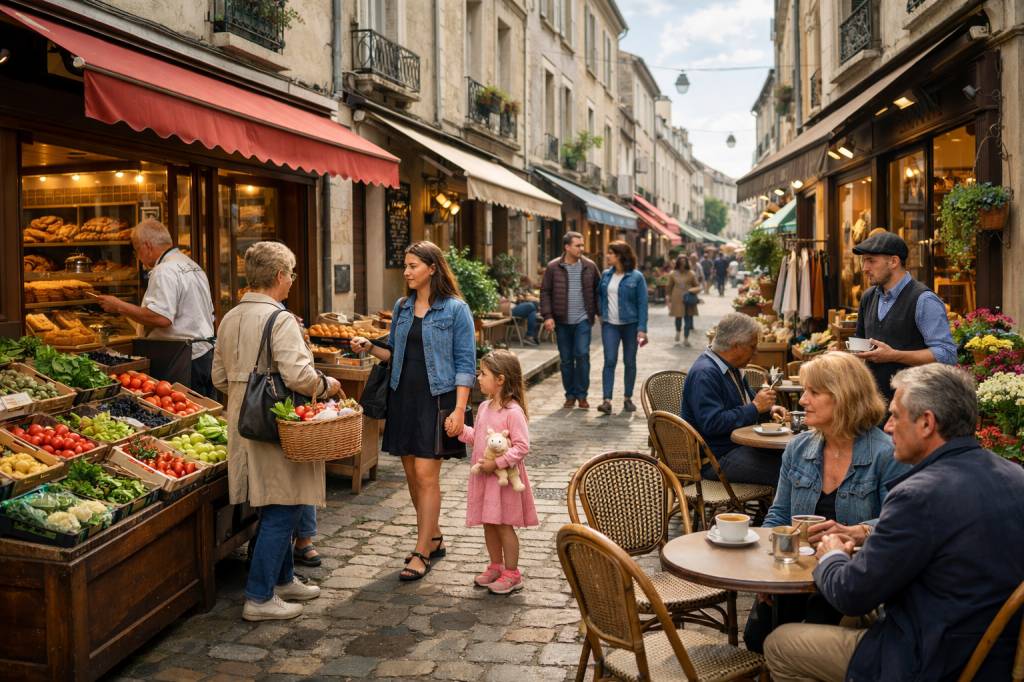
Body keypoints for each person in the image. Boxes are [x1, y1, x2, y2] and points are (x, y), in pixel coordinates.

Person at [765, 364, 1024, 681]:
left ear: (927, 423)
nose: (887, 427)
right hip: (995, 651)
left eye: (896, 416)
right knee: (841, 620)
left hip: (930, 657)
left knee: (780, 643)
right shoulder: (1016, 477)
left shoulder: (918, 494)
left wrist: (832, 553)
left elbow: (852, 593)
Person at [743, 352, 909, 653]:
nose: (803, 400)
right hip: (792, 575)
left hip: (849, 578)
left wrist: (855, 530)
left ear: (844, 398)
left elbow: (896, 525)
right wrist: (764, 573)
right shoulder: (798, 447)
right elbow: (779, 513)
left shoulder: (887, 454)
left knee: (812, 628)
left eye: (813, 392)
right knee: (756, 638)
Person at [211, 241, 342, 622]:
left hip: (243, 421)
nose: (292, 282)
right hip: (275, 425)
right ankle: (259, 596)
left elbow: (218, 376)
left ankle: (284, 579)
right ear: (280, 276)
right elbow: (300, 377)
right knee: (282, 508)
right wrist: (328, 384)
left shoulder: (230, 316)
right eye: (292, 274)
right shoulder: (280, 319)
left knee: (277, 503)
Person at [350, 241, 476, 582]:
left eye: (412, 266)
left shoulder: (455, 310)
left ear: (432, 268)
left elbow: (466, 363)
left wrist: (461, 409)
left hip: (437, 399)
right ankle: (433, 537)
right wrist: (371, 347)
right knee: (410, 474)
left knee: (426, 475)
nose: (406, 272)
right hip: (403, 396)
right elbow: (396, 355)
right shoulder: (402, 307)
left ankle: (421, 551)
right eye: (405, 266)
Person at [95, 219, 217, 397]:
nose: (138, 257)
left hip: (183, 360)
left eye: (137, 250)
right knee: (203, 412)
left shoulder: (164, 270)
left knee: (187, 415)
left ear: (147, 246)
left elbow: (161, 318)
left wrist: (119, 306)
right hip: (203, 355)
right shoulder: (191, 265)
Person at [456, 350, 539, 595]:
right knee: (489, 524)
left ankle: (512, 573)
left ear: (500, 379)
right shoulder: (483, 407)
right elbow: (479, 437)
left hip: (504, 482)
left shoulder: (513, 412)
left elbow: (523, 447)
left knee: (504, 525)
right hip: (485, 479)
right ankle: (495, 565)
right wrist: (460, 431)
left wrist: (498, 463)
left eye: (483, 374)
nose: (478, 378)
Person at [681, 313, 785, 486]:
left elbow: (749, 404)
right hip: (716, 458)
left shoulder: (732, 367)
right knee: (787, 470)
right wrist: (756, 407)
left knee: (792, 458)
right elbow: (713, 423)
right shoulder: (705, 373)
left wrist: (768, 408)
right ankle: (780, 512)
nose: (756, 351)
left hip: (736, 447)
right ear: (737, 346)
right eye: (752, 346)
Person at [852, 231, 956, 401]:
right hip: (874, 405)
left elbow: (946, 355)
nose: (864, 268)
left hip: (913, 406)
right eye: (863, 261)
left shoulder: (923, 299)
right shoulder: (868, 297)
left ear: (893, 261)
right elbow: (861, 341)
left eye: (871, 261)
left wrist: (895, 355)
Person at [540, 231, 600, 410]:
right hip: (561, 321)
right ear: (567, 247)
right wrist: (548, 316)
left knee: (582, 355)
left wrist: (600, 313)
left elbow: (599, 290)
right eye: (578, 245)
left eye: (582, 245)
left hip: (583, 320)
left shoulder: (590, 266)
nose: (581, 248)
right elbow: (545, 292)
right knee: (566, 359)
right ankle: (570, 395)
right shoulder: (553, 267)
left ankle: (582, 395)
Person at [597, 241, 648, 415]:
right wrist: (600, 315)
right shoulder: (605, 275)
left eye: (610, 253)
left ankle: (627, 398)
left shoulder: (636, 277)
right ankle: (607, 400)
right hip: (610, 325)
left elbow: (643, 303)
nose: (607, 256)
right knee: (609, 360)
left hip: (631, 325)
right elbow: (600, 296)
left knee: (629, 362)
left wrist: (642, 328)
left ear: (619, 255)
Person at [665, 255, 701, 346]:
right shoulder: (673, 273)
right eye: (680, 263)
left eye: (684, 263)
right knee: (678, 316)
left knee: (688, 318)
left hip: (688, 297)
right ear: (678, 264)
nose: (682, 265)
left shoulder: (691, 273)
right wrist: (668, 297)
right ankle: (678, 332)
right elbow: (669, 286)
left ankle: (686, 338)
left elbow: (697, 286)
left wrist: (691, 290)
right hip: (677, 297)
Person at [510, 276, 540, 346]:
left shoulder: (529, 290)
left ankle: (529, 336)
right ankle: (532, 335)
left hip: (525, 310)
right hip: (514, 309)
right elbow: (516, 299)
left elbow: (535, 297)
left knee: (532, 313)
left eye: (529, 282)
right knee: (531, 306)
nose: (528, 284)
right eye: (527, 282)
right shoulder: (518, 289)